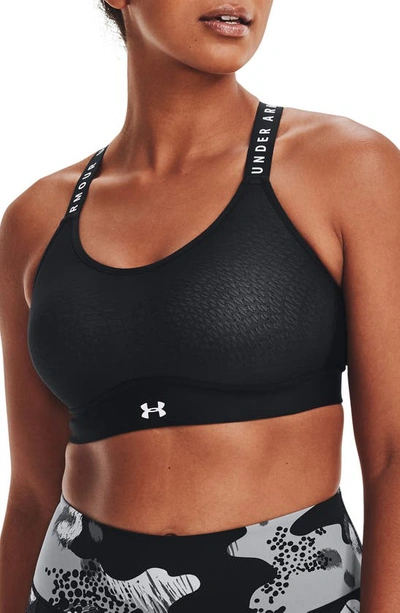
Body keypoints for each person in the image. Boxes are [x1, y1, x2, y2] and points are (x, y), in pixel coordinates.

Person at [0, 1, 399, 611]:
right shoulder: (35, 221)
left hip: (292, 592)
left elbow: (393, 456)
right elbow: (31, 496)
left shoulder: (346, 168)